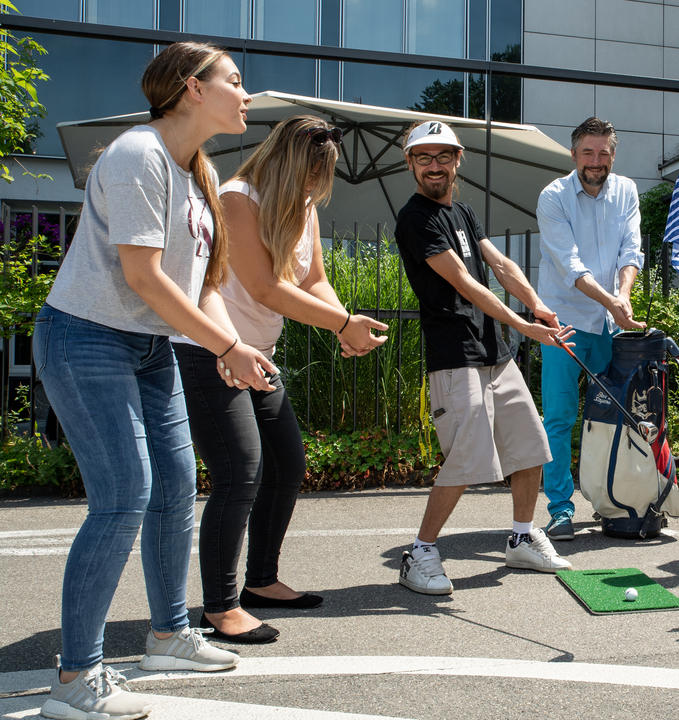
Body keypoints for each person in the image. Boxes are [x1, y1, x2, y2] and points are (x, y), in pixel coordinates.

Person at [33, 41, 267, 719]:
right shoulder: (138, 154)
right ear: (193, 88)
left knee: (173, 487)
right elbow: (143, 277)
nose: (245, 94)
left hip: (149, 347)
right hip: (87, 339)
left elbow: (206, 281)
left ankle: (167, 634)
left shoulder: (198, 173)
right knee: (123, 496)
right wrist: (225, 344)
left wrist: (234, 348)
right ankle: (76, 680)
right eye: (235, 80)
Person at [173, 116, 389, 644]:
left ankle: (261, 582)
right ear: (288, 162)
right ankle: (220, 608)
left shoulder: (304, 207)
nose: (318, 184)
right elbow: (265, 287)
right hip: (212, 353)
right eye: (314, 172)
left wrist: (346, 326)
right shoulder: (237, 198)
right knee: (240, 474)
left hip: (258, 357)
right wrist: (342, 324)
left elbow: (313, 278)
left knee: (287, 464)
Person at [394, 120, 575, 596]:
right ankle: (421, 552)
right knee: (467, 460)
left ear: (458, 160)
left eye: (443, 157)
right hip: (455, 357)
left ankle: (520, 536)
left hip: (495, 353)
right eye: (423, 158)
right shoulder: (416, 218)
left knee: (531, 446)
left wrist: (536, 302)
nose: (434, 166)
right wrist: (524, 326)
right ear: (410, 163)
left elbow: (498, 264)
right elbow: (465, 284)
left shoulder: (464, 212)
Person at [535, 117, 645, 541]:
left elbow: (630, 250)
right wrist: (614, 303)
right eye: (588, 152)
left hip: (609, 322)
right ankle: (560, 510)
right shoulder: (554, 197)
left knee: (611, 418)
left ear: (613, 155)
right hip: (563, 321)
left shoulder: (627, 191)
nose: (596, 161)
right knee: (560, 418)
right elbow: (570, 265)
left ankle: (609, 500)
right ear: (573, 153)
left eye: (604, 153)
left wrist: (624, 295)